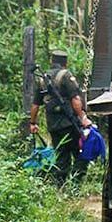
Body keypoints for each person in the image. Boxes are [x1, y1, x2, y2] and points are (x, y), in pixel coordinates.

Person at [30, 50, 93, 186]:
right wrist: (83, 117)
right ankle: (75, 185)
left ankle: (61, 187)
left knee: (61, 157)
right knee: (81, 154)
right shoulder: (66, 76)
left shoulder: (43, 79)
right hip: (69, 124)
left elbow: (35, 105)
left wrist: (33, 123)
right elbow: (75, 99)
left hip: (53, 126)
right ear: (66, 63)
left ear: (51, 61)